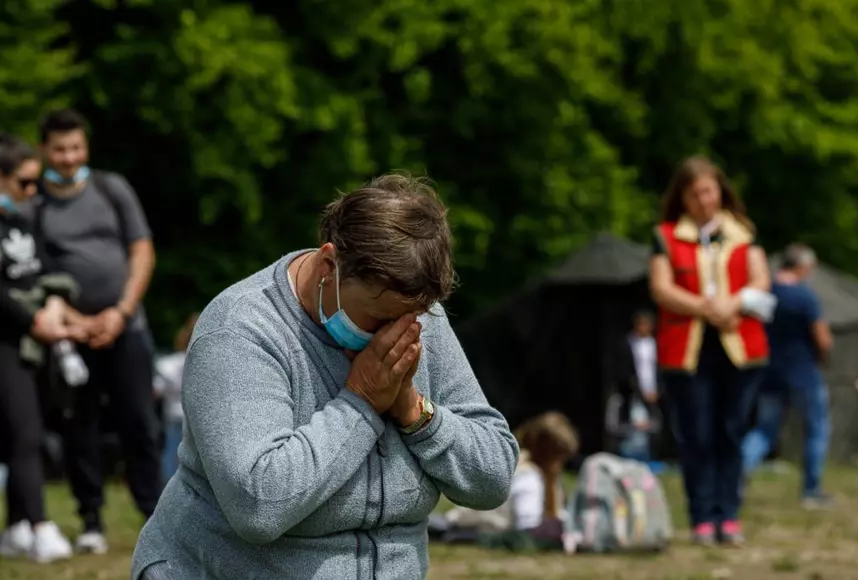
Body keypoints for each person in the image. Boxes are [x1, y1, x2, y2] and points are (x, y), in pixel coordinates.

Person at [131, 174, 519, 580]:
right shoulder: (239, 330)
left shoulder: (417, 315)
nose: (395, 334)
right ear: (330, 265)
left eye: (413, 316)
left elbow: (493, 478)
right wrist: (362, 401)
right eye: (379, 318)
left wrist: (412, 410)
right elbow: (258, 506)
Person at [35, 108, 161, 554]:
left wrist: (121, 312)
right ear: (44, 151)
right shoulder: (37, 205)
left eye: (76, 147)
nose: (69, 157)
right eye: (60, 149)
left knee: (140, 424)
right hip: (69, 336)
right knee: (79, 428)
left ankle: (156, 517)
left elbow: (142, 250)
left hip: (126, 326)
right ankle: (90, 518)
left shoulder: (112, 188)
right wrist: (77, 321)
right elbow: (35, 271)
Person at [650, 155, 771, 547]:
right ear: (683, 198)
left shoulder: (744, 234)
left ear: (721, 191)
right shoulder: (666, 236)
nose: (705, 199)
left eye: (710, 190)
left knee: (730, 432)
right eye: (696, 193)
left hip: (739, 351)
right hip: (689, 353)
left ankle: (729, 515)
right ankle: (702, 517)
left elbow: (761, 282)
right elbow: (662, 288)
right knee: (697, 435)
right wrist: (708, 308)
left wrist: (731, 306)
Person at [0, 133, 74, 563]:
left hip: (33, 341)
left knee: (20, 433)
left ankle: (14, 528)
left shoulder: (24, 223)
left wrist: (53, 304)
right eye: (24, 183)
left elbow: (45, 272)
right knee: (25, 433)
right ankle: (41, 527)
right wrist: (31, 321)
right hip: (7, 343)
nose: (33, 192)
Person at [742, 244, 833, 509]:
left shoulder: (765, 292)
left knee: (764, 430)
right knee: (816, 429)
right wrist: (822, 359)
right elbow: (823, 339)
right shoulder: (804, 297)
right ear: (803, 267)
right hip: (803, 374)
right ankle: (811, 491)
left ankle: (738, 474)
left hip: (769, 373)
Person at [431, 411, 579, 542]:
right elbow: (528, 525)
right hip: (464, 527)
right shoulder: (529, 478)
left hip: (460, 521)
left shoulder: (515, 461)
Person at [153, 312, 199, 483]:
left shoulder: (170, 364)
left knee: (172, 458)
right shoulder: (212, 362)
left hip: (177, 417)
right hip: (191, 419)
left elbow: (157, 389)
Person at [617, 311, 659, 462]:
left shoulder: (655, 343)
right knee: (634, 423)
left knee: (653, 425)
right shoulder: (628, 343)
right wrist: (639, 390)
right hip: (634, 392)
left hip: (653, 391)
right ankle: (630, 456)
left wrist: (656, 390)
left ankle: (652, 456)